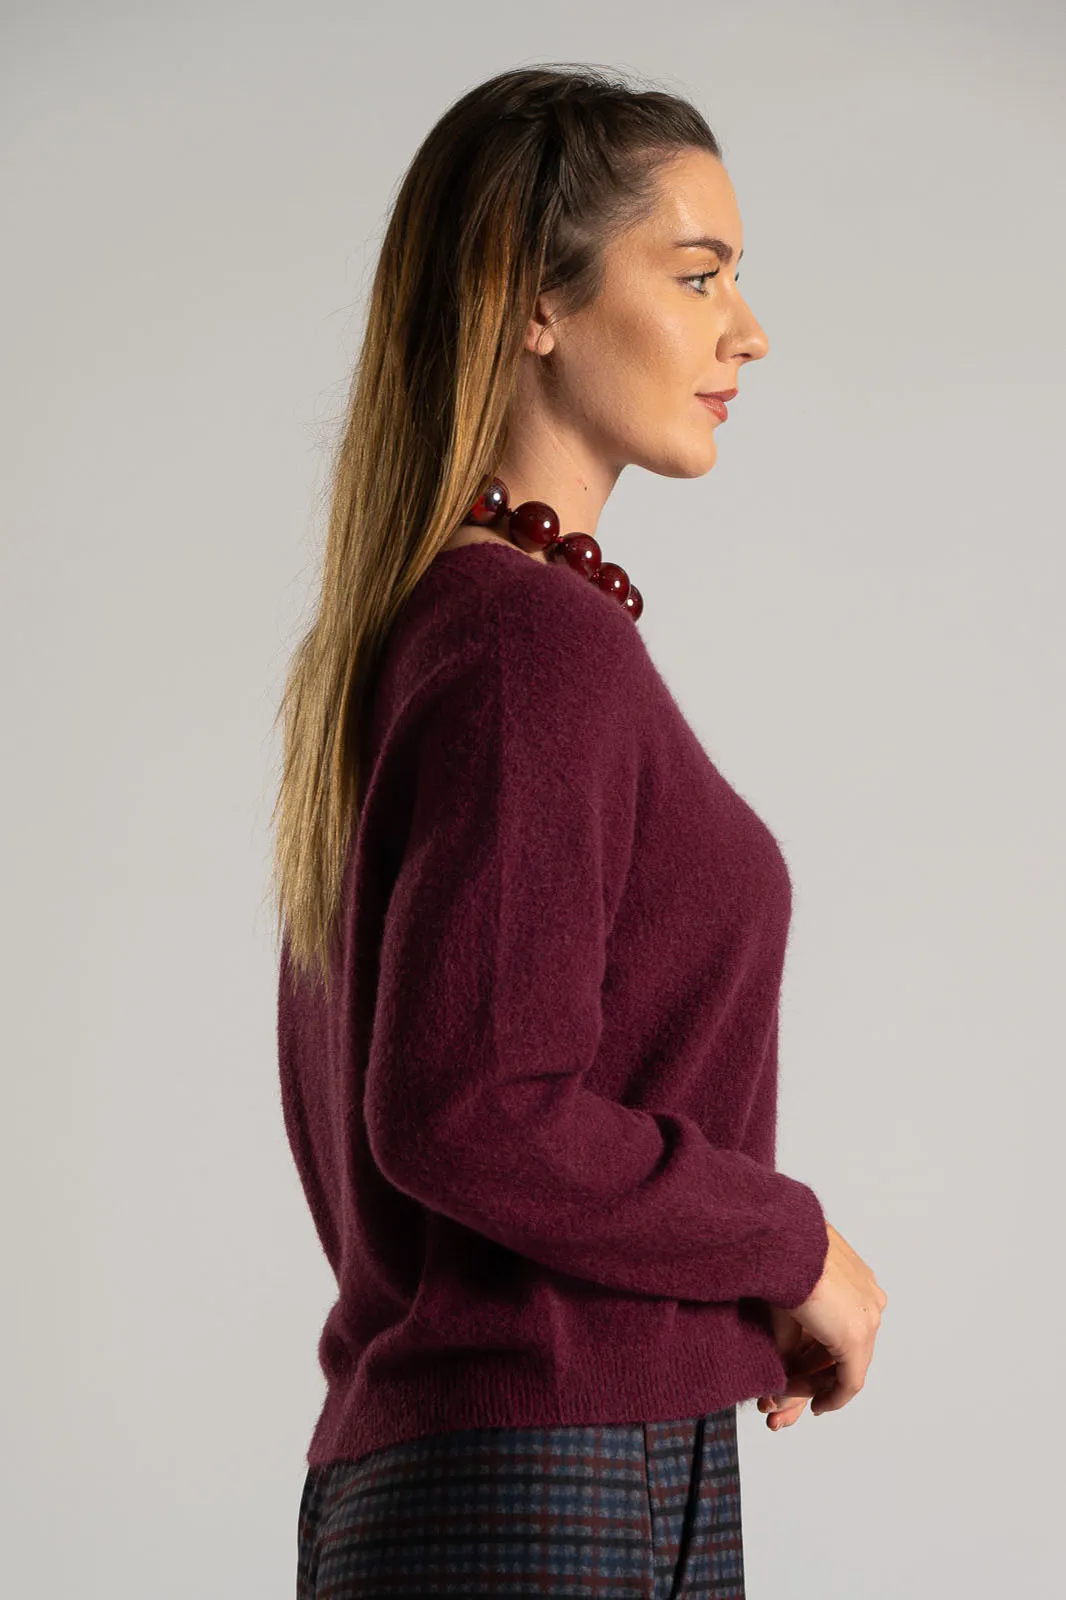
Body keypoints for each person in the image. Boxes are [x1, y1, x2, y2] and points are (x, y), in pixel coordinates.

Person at [272, 62, 887, 1599]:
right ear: (532, 299)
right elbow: (471, 1107)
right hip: (550, 1478)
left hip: (520, 1468)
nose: (746, 330)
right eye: (695, 275)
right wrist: (790, 1245)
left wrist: (725, 1283)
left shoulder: (456, 629)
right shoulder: (521, 644)